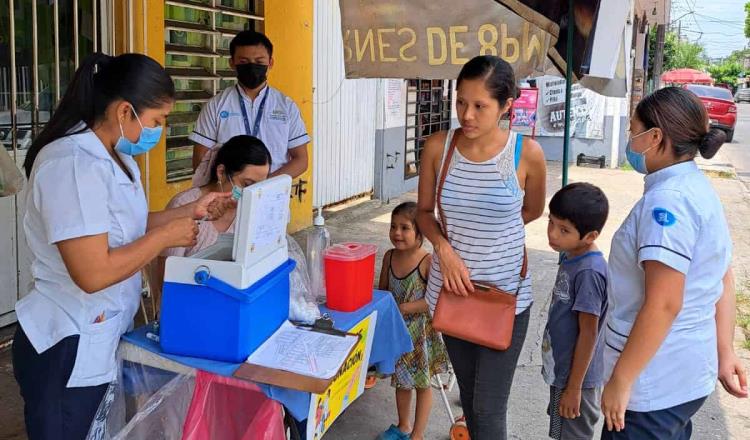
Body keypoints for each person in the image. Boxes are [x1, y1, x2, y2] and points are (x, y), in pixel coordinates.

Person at [11, 53, 231, 440]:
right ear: (125, 111)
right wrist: (163, 238)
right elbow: (92, 273)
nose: (158, 132)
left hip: (99, 335)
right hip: (68, 341)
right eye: (156, 122)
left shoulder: (114, 157)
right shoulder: (73, 164)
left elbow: (122, 228)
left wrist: (192, 213)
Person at [601, 87, 748, 439]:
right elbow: (720, 276)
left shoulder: (667, 204)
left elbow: (665, 303)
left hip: (652, 384)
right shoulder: (694, 186)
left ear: (654, 137)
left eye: (632, 130)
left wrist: (621, 381)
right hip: (683, 376)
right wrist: (724, 351)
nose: (630, 140)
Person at [416, 55, 547, 440]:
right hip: (454, 294)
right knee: (471, 402)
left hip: (504, 299)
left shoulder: (527, 154)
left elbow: (532, 210)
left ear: (506, 106)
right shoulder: (439, 148)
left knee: (489, 411)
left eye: (479, 106)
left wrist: (489, 242)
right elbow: (424, 212)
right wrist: (444, 248)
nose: (466, 115)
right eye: (460, 102)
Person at [190, 30, 310, 186]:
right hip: (227, 197)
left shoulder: (287, 107)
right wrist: (226, 186)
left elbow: (301, 160)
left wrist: (263, 184)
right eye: (244, 62)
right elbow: (200, 161)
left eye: (259, 62)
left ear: (270, 63)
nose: (252, 67)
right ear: (232, 63)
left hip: (272, 195)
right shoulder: (216, 105)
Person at [541, 183, 609, 440]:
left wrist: (574, 388)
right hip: (565, 375)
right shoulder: (572, 256)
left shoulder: (589, 272)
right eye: (551, 223)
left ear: (590, 236)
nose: (553, 234)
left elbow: (589, 333)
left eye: (564, 230)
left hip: (578, 381)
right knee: (561, 435)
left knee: (573, 436)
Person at [377, 202, 449, 440]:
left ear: (420, 233)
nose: (397, 233)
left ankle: (418, 434)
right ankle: (403, 426)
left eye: (405, 228)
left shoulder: (427, 261)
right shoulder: (388, 257)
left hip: (421, 334)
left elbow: (434, 300)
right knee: (402, 382)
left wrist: (404, 308)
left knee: (422, 384)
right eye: (393, 226)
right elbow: (383, 291)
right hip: (398, 332)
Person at [165, 134, 271, 258]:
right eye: (247, 184)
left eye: (260, 186)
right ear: (221, 172)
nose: (253, 193)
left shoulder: (254, 212)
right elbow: (167, 270)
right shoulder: (182, 206)